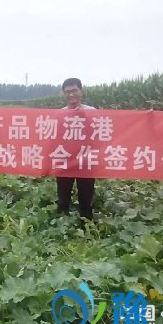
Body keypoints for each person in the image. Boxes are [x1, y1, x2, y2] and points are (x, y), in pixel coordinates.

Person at [56, 78, 96, 220]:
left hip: (86, 159)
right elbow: (53, 137)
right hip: (64, 158)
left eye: (74, 91)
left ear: (81, 91)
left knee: (86, 196)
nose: (71, 95)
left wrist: (83, 116)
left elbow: (100, 134)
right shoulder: (59, 114)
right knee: (63, 194)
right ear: (63, 94)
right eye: (67, 92)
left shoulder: (92, 112)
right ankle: (62, 223)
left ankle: (86, 224)